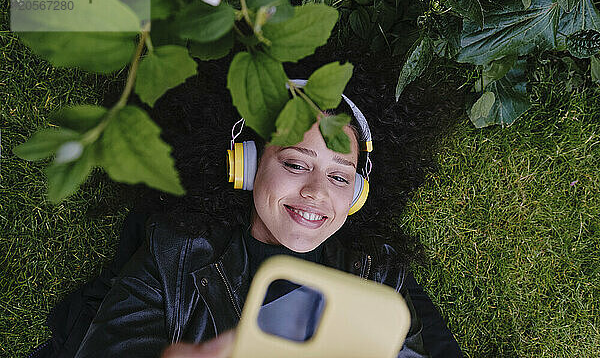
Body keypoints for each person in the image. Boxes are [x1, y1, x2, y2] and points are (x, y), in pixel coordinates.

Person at [29, 57, 465, 357]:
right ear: (248, 165)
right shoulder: (177, 253)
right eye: (295, 163)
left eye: (338, 176)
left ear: (356, 194)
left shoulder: (378, 275)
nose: (316, 192)